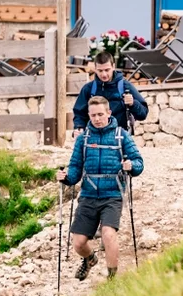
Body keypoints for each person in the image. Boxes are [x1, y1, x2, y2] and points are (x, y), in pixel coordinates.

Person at [57, 95, 144, 281]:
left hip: (113, 194)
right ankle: (90, 259)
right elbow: (75, 168)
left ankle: (112, 280)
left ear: (109, 113)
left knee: (108, 234)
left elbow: (139, 162)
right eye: (93, 115)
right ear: (89, 115)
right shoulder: (83, 139)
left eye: (100, 114)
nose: (97, 119)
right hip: (88, 195)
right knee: (78, 243)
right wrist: (66, 178)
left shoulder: (121, 135)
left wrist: (131, 166)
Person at [72, 51, 148, 135]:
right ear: (95, 69)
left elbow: (143, 114)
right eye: (100, 71)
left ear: (113, 67)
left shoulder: (125, 86)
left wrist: (133, 103)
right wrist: (79, 128)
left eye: (107, 70)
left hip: (120, 137)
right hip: (94, 137)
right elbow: (79, 114)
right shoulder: (88, 89)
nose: (104, 74)